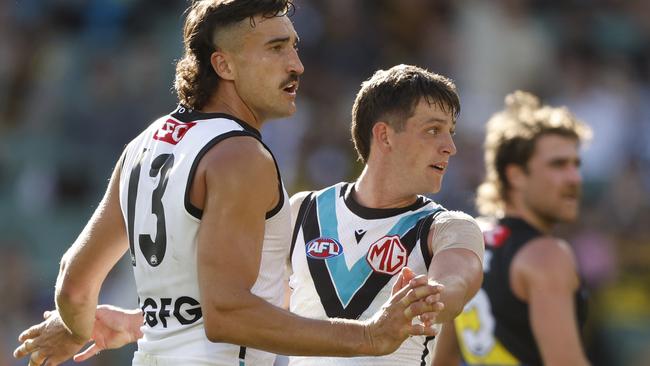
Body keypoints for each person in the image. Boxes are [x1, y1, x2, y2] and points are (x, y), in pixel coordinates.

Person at [12, 1, 442, 365]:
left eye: (294, 47)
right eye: (276, 49)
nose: (297, 65)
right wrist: (369, 337)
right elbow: (227, 315)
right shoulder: (241, 157)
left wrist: (77, 326)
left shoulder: (142, 146)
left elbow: (74, 283)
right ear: (224, 64)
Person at [286, 64, 484, 365]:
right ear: (385, 136)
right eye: (433, 130)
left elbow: (456, 283)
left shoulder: (447, 227)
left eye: (450, 132)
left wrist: (431, 296)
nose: (450, 147)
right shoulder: (302, 211)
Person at [431, 91, 592, 366]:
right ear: (515, 174)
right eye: (558, 165)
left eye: (576, 165)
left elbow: (441, 360)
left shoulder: (466, 243)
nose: (574, 178)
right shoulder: (546, 255)